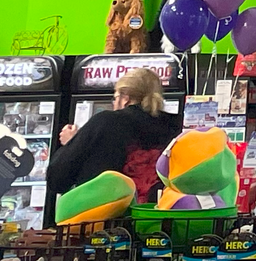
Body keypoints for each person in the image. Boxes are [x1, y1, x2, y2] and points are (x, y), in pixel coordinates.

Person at [46, 67, 180, 214]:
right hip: (155, 219)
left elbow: (57, 178)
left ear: (125, 99)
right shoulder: (176, 126)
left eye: (115, 98)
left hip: (103, 222)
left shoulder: (105, 121)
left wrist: (71, 143)